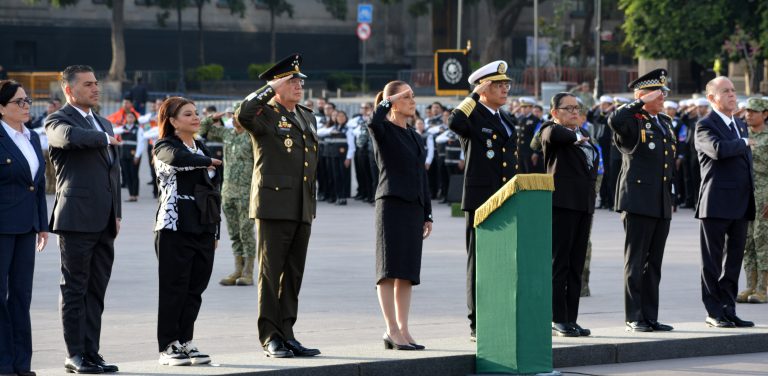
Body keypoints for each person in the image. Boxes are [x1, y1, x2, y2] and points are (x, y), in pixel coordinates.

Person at [236, 53, 320, 358]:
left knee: (293, 274)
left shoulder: (306, 115)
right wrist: (270, 88)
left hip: (302, 205)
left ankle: (288, 333)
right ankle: (270, 335)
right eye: (292, 80)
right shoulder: (265, 114)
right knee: (271, 275)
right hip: (273, 204)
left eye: (299, 80)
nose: (298, 85)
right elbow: (243, 113)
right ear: (277, 85)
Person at [45, 65, 121, 373]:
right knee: (74, 288)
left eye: (95, 83)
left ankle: (92, 352)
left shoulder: (104, 123)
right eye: (87, 84)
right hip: (76, 218)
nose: (95, 88)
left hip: (104, 220)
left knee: (96, 290)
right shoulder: (57, 120)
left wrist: (117, 212)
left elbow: (113, 174)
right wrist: (102, 137)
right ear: (69, 89)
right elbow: (66, 139)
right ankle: (74, 353)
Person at [448, 60, 519, 341]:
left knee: (503, 262)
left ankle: (499, 315)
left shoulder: (506, 119)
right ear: (485, 87)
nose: (505, 90)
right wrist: (474, 95)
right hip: (481, 199)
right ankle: (478, 322)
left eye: (506, 85)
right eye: (499, 85)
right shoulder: (473, 115)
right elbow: (454, 122)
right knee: (479, 263)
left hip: (507, 198)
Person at [152, 97, 222, 366]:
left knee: (196, 288)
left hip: (203, 226)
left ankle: (185, 341)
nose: (196, 118)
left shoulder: (200, 145)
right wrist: (208, 161)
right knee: (174, 288)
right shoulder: (165, 145)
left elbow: (212, 192)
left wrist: (215, 231)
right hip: (174, 227)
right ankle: (168, 346)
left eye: (196, 113)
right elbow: (178, 159)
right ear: (172, 121)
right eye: (188, 114)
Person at [608, 69, 675, 333]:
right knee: (635, 261)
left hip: (660, 201)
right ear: (642, 96)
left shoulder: (664, 123)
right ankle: (634, 316)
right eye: (658, 93)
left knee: (653, 263)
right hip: (637, 200)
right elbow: (615, 118)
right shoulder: (633, 121)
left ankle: (650, 315)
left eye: (664, 93)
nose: (663, 97)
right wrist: (639, 102)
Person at [369, 81, 433, 351]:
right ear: (393, 101)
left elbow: (422, 177)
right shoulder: (382, 130)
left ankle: (404, 329)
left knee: (406, 273)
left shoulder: (415, 136)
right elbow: (373, 120)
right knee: (388, 271)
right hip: (391, 204)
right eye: (406, 97)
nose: (413, 101)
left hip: (413, 207)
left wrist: (427, 212)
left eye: (413, 96)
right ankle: (391, 329)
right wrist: (388, 98)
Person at [695, 77, 756, 328]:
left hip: (740, 203)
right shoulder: (704, 125)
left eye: (733, 90)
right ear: (712, 98)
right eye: (726, 91)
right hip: (716, 202)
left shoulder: (739, 125)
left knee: (733, 262)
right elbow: (718, 150)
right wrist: (743, 143)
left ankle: (729, 308)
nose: (733, 95)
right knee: (712, 261)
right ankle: (713, 310)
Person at [539, 93, 598, 337]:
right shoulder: (550, 130)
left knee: (576, 265)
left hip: (583, 206)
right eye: (568, 108)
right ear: (555, 112)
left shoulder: (584, 138)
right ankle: (556, 317)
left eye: (577, 108)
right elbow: (554, 134)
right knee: (559, 264)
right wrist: (576, 135)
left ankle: (571, 318)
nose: (575, 112)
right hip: (561, 206)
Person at [0, 80, 48, 376]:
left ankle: (22, 364)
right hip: (2, 227)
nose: (26, 105)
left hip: (26, 228)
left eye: (27, 100)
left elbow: (38, 185)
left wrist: (42, 225)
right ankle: (3, 362)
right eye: (19, 101)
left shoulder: (30, 137)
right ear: (1, 108)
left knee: (21, 295)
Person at [199, 101, 257, 287]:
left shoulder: (252, 136)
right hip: (228, 191)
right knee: (233, 232)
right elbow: (201, 130)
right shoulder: (227, 134)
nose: (233, 118)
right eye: (231, 115)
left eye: (237, 114)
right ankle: (237, 269)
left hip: (246, 191)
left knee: (246, 232)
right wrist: (214, 116)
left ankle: (248, 271)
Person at [739, 98, 768, 304]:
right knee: (747, 242)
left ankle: (763, 289)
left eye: (754, 111)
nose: (749, 115)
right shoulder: (741, 136)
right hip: (744, 197)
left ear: (765, 114)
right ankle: (750, 284)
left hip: (764, 197)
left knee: (763, 242)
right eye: (747, 111)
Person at [114, 112, 144, 202]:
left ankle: (135, 194)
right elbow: (112, 130)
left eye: (132, 117)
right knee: (127, 175)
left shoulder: (138, 129)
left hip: (134, 154)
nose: (130, 119)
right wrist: (122, 130)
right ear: (126, 119)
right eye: (128, 117)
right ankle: (131, 195)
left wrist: (137, 156)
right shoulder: (123, 128)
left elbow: (141, 143)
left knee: (134, 174)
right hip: (124, 154)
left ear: (134, 119)